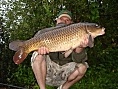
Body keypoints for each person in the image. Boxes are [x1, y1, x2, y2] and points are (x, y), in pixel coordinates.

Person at [31, 10, 89, 89]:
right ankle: (42, 88)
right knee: (38, 55)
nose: (64, 21)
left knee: (83, 67)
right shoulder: (43, 32)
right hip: (48, 72)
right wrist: (40, 51)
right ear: (57, 20)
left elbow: (79, 60)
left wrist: (80, 47)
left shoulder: (77, 33)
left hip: (64, 74)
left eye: (67, 20)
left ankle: (63, 88)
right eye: (62, 19)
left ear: (71, 23)